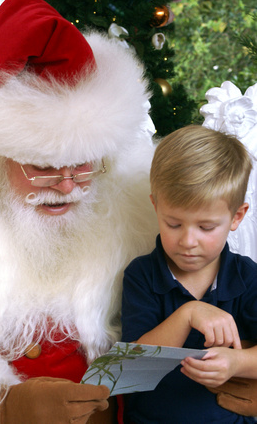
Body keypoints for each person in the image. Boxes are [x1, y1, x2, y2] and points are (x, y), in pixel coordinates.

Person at [0, 0, 158, 422]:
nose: (68, 187)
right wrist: (0, 408)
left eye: (84, 163)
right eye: (44, 166)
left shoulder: (135, 213)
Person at [121, 125, 257, 423]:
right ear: (155, 205)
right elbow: (129, 369)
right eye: (173, 224)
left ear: (237, 217)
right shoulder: (142, 275)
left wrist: (238, 362)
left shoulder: (247, 277)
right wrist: (188, 313)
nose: (187, 241)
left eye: (206, 227)